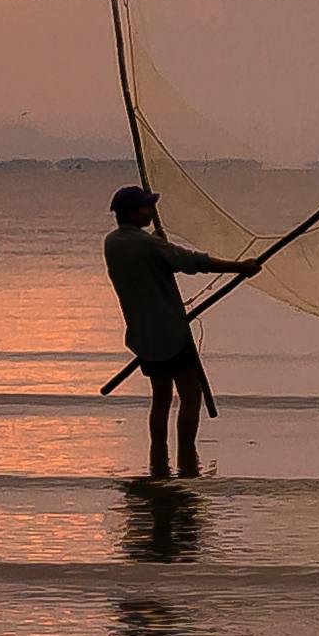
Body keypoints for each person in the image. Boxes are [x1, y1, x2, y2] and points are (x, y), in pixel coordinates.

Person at [103, 180, 260, 478]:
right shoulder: (149, 245)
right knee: (190, 395)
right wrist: (240, 267)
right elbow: (191, 262)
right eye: (147, 206)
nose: (152, 209)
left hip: (142, 335)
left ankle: (158, 457)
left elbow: (151, 258)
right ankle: (188, 457)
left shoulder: (112, 243)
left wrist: (158, 244)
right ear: (134, 213)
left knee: (161, 396)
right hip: (170, 333)